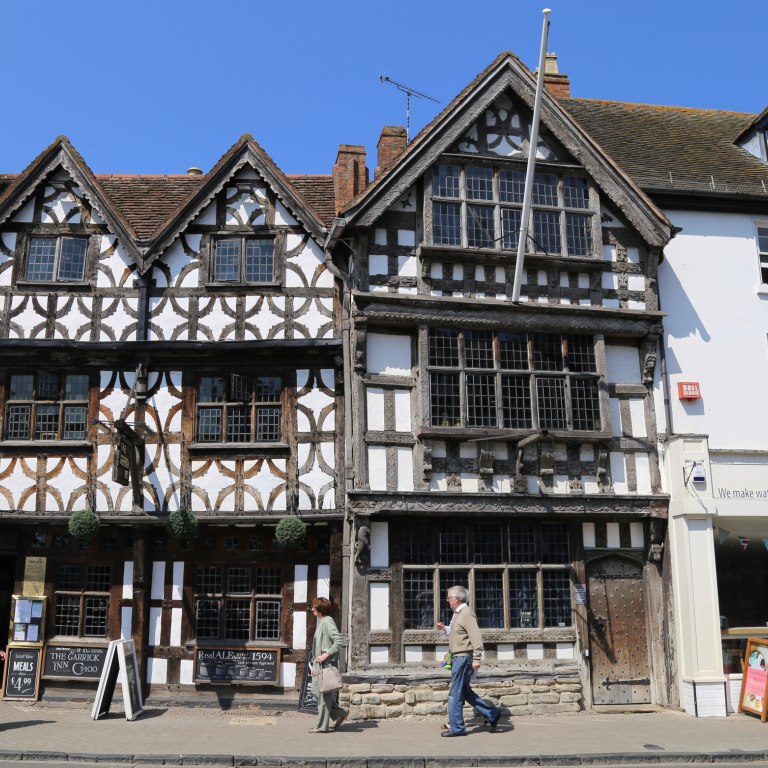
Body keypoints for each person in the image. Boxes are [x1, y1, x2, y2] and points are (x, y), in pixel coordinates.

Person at [436, 585, 501, 737]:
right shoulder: (457, 614)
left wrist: (477, 658)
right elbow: (457, 633)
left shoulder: (467, 614)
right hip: (458, 657)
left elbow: (476, 637)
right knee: (464, 691)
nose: (447, 600)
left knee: (454, 694)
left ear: (456, 599)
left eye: (449, 597)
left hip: (463, 658)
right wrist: (445, 629)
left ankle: (457, 728)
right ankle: (492, 713)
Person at [308, 596, 348, 733]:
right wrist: (314, 665)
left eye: (314, 607)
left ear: (321, 608)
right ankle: (339, 713)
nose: (312, 609)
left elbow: (338, 641)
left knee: (323, 695)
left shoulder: (328, 622)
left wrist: (326, 654)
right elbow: (317, 646)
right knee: (315, 690)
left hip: (326, 664)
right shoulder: (321, 622)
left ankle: (322, 727)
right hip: (319, 665)